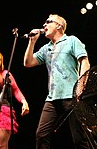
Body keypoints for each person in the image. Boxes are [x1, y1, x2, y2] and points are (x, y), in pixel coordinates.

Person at [23, 14, 91, 149]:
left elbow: (85, 62)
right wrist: (32, 42)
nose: (44, 25)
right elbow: (28, 62)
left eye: (48, 22)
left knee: (80, 138)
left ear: (59, 26)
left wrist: (81, 86)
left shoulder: (71, 40)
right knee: (41, 135)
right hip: (52, 98)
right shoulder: (46, 48)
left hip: (72, 95)